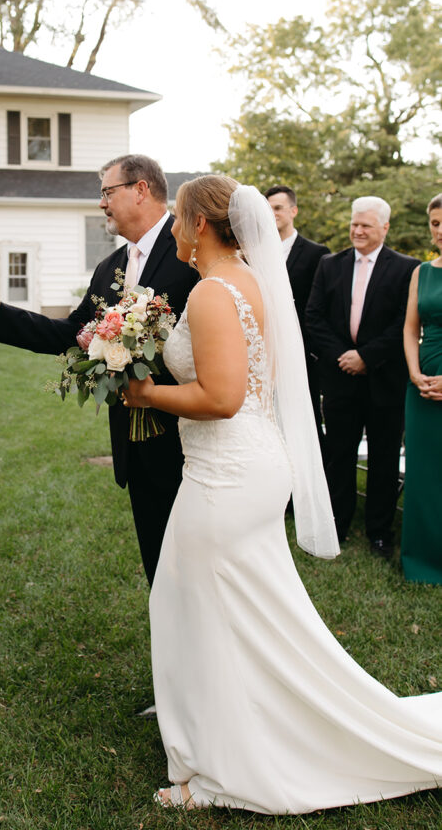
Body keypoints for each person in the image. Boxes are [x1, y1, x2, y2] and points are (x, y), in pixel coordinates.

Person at [123, 175, 442, 812]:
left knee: (198, 609)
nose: (177, 231)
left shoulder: (216, 293)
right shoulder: (246, 281)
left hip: (227, 473)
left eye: (182, 219)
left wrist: (143, 393)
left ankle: (225, 765)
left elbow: (221, 396)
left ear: (202, 225)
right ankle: (232, 735)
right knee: (223, 609)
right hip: (243, 466)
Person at [0, 155, 199, 588]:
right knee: (159, 560)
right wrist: (1, 314)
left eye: (106, 192)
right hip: (133, 437)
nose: (101, 204)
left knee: (196, 560)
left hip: (189, 436)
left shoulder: (189, 250)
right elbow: (72, 333)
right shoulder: (108, 267)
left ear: (141, 190)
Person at [305, 197, 419, 558]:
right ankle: (337, 523)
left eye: (366, 225)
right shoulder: (330, 264)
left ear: (385, 228)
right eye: (354, 224)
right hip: (340, 378)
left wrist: (367, 357)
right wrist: (344, 357)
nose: (357, 231)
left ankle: (379, 532)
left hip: (384, 379)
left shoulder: (406, 268)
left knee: (384, 458)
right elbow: (314, 316)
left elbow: (404, 322)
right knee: (339, 455)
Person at [264, 185, 328, 445]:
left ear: (294, 210)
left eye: (278, 208)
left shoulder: (317, 254)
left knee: (305, 426)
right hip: (264, 355)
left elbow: (319, 308)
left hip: (302, 356)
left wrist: (311, 352)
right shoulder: (252, 251)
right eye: (268, 209)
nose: (273, 213)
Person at [401, 193, 442, 584]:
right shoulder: (422, 272)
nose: (440, 230)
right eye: (435, 223)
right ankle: (422, 559)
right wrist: (414, 371)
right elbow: (411, 328)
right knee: (424, 472)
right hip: (423, 381)